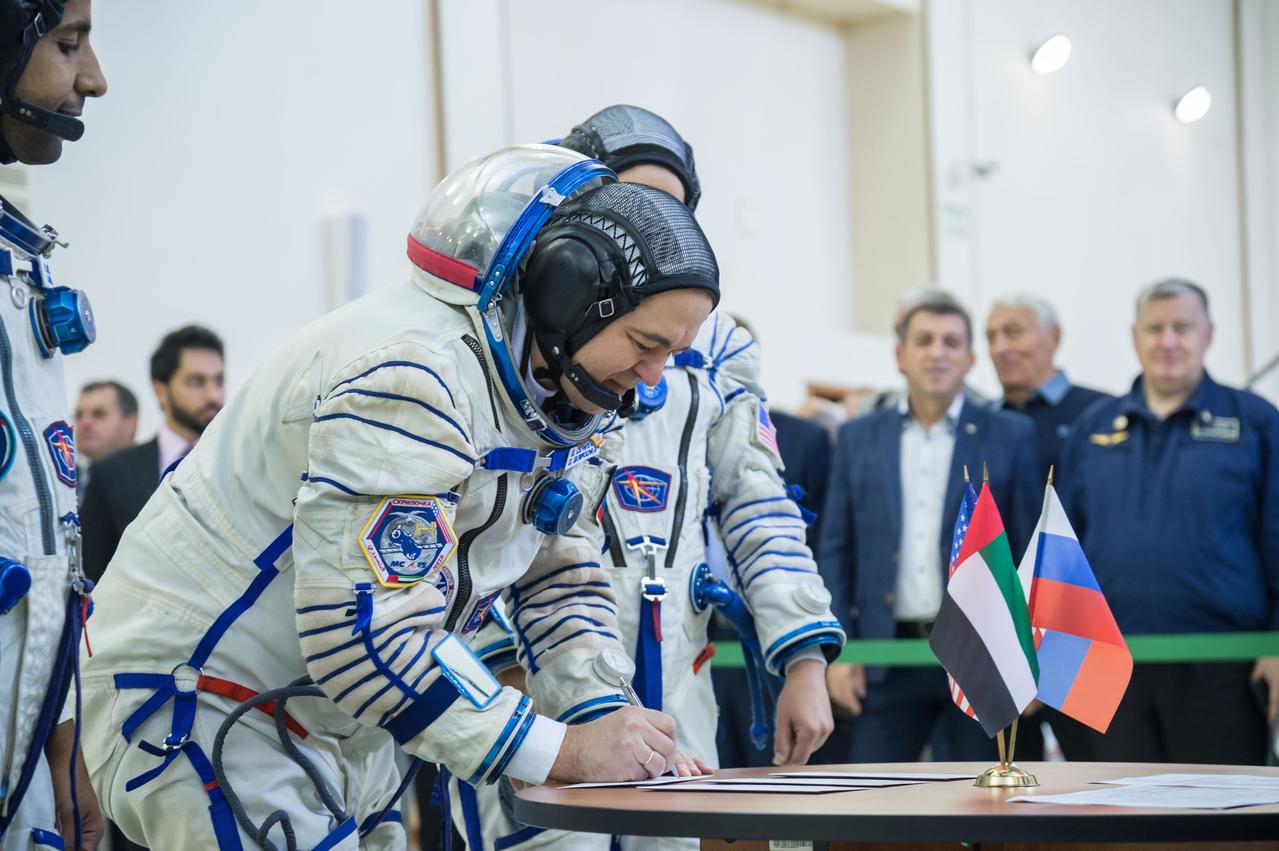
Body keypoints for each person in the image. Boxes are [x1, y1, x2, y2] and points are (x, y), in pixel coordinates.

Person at [76, 144, 721, 850]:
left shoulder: (561, 396)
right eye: (644, 342)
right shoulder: (411, 372)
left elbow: (560, 572)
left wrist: (606, 718)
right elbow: (364, 636)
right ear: (568, 297)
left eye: (672, 352)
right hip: (208, 693)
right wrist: (562, 752)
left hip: (333, 710)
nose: (655, 376)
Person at [443, 105, 843, 851]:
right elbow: (472, 516)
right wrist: (499, 662)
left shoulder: (715, 346)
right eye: (633, 203)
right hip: (531, 672)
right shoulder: (511, 323)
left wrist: (802, 655)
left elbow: (759, 502)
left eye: (673, 208)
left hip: (674, 670)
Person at [1060, 278, 1279, 764]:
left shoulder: (1256, 423)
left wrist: (1277, 645)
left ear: (1209, 334)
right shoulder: (1092, 429)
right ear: (1134, 337)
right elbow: (1063, 548)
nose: (1168, 341)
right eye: (1155, 328)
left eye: (1182, 327)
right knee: (1124, 822)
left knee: (1217, 825)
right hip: (1111, 666)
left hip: (1224, 666)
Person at [820, 292, 1041, 762]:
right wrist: (840, 651)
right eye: (924, 340)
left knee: (982, 804)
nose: (937, 352)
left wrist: (1031, 656)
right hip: (885, 656)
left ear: (970, 359)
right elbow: (836, 549)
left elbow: (1026, 552)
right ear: (901, 355)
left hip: (982, 652)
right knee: (874, 801)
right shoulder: (858, 436)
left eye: (951, 342)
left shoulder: (1010, 435)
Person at [0, 1, 107, 849]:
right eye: (67, 43)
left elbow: (42, 551)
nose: (92, 79)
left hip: (26, 750)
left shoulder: (20, 260)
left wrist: (63, 733)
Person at [984, 295, 1109, 761]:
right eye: (991, 336)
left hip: (1078, 622)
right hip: (1002, 628)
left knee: (1097, 778)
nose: (1000, 347)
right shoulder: (983, 427)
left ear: (1053, 338)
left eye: (1013, 332)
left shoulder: (1102, 417)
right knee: (1008, 781)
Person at [79, 324, 224, 582]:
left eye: (218, 381)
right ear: (160, 391)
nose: (213, 395)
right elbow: (94, 574)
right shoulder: (111, 474)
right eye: (196, 382)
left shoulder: (239, 463)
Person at [73, 380, 137, 499]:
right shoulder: (64, 480)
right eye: (79, 415)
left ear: (130, 423)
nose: (85, 423)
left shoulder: (154, 476)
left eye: (98, 414)